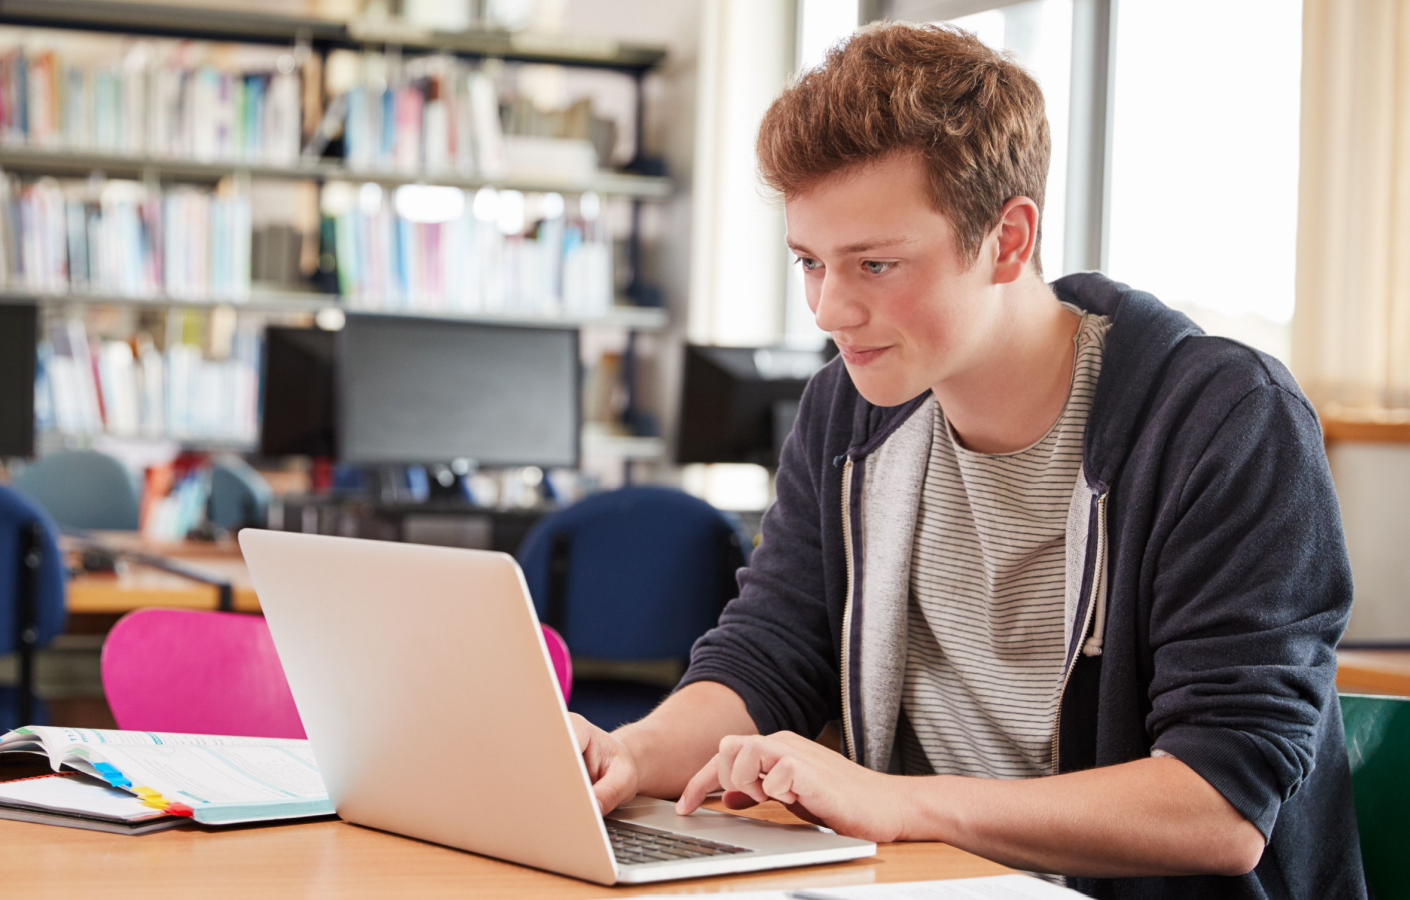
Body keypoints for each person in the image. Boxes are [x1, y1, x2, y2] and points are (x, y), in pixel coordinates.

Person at [568, 21, 1365, 898]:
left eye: (875, 264)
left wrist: (902, 804)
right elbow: (769, 657)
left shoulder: (1222, 422)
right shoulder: (849, 408)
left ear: (1009, 239)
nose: (830, 310)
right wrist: (626, 753)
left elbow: (1221, 807)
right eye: (809, 262)